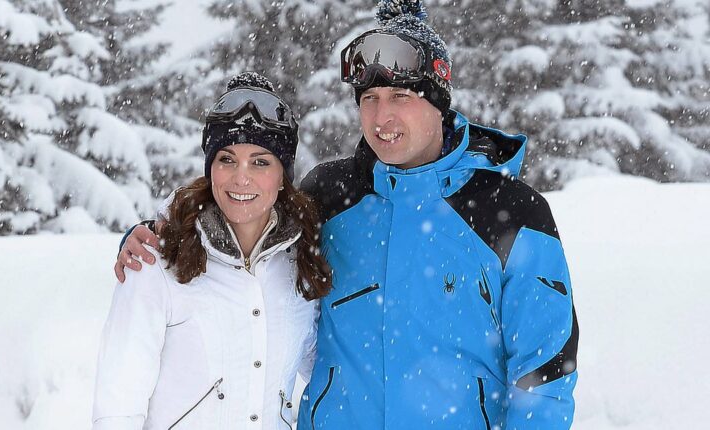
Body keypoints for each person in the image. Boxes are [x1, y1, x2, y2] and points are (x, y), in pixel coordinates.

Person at [116, 1, 579, 429]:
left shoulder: (510, 211)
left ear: (439, 101)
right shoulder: (330, 194)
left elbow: (544, 373)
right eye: (369, 98)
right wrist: (156, 235)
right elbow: (243, 220)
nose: (382, 117)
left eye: (400, 96)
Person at [92, 72, 331, 430]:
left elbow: (327, 372)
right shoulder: (154, 260)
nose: (241, 177)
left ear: (283, 177)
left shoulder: (301, 263)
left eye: (261, 162)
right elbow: (117, 407)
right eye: (227, 159)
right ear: (210, 168)